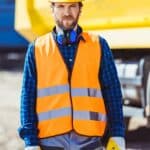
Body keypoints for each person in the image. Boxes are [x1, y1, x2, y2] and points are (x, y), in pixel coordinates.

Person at [18, 0, 126, 150]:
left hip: (90, 142)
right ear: (52, 9)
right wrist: (30, 142)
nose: (67, 12)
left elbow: (112, 92)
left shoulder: (98, 45)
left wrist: (117, 133)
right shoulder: (36, 49)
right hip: (50, 143)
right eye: (61, 6)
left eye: (72, 6)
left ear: (80, 9)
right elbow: (27, 98)